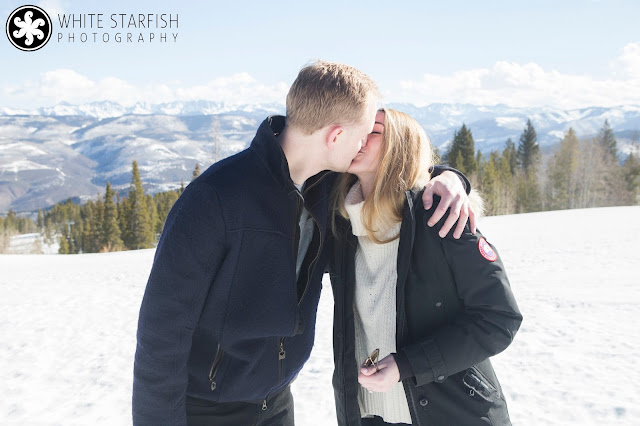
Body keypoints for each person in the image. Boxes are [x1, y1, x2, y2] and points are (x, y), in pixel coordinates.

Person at [132, 62, 474, 426]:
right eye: (362, 135)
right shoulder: (214, 199)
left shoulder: (329, 189)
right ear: (335, 136)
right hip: (209, 410)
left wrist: (450, 178)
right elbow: (161, 336)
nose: (363, 146)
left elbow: (394, 172)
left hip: (278, 404)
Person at [328, 108, 523, 425]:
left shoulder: (441, 215)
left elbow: (499, 318)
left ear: (400, 147)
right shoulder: (341, 226)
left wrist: (408, 364)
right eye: (355, 130)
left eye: (373, 132)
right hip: (367, 414)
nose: (358, 139)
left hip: (454, 412)